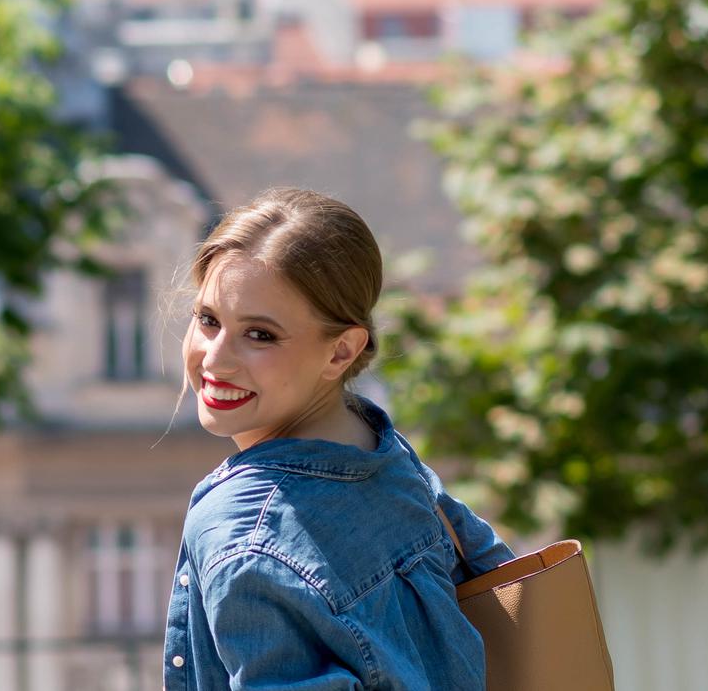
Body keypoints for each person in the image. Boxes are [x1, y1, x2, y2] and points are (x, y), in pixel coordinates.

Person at [161, 187, 515, 691]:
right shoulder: (387, 457)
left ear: (342, 351)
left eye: (260, 334)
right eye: (208, 320)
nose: (215, 358)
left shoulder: (244, 531)